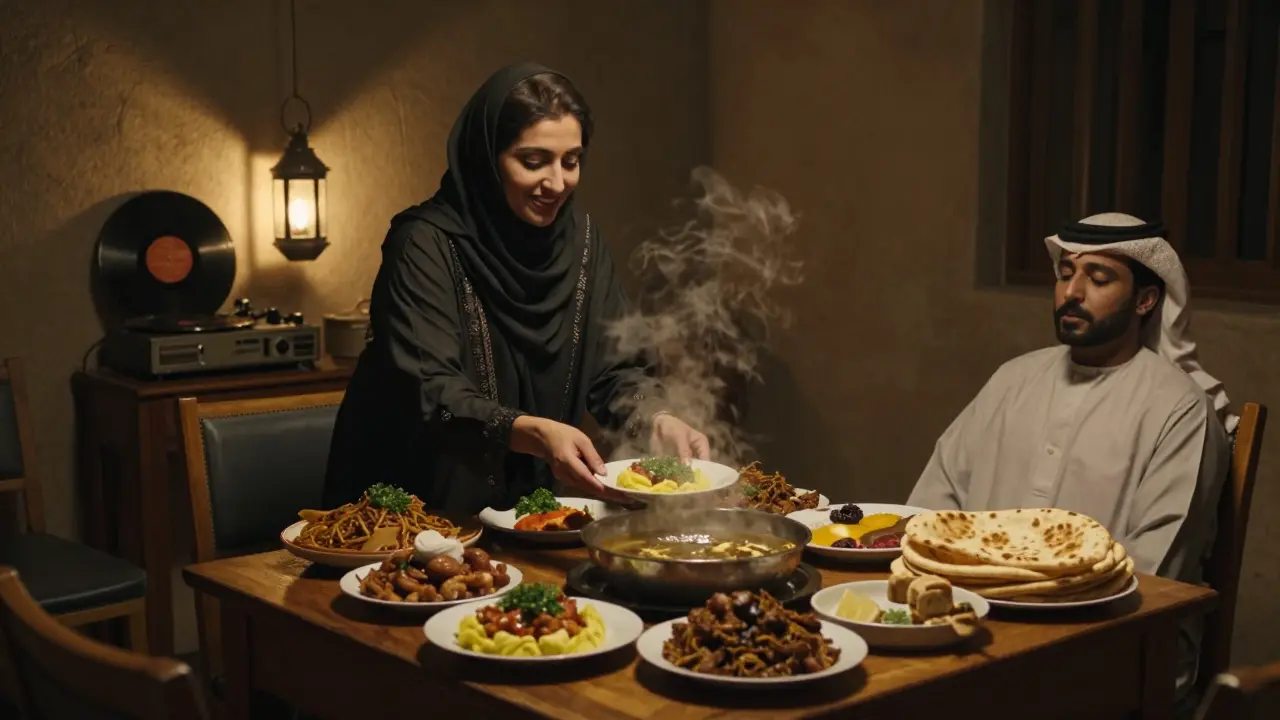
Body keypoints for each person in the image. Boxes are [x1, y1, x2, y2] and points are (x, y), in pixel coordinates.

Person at [323, 63, 709, 514]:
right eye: (533, 161)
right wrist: (530, 431)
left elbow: (615, 371)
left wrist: (656, 418)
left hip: (527, 512)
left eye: (572, 160)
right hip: (412, 511)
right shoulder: (423, 243)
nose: (557, 182)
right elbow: (430, 389)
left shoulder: (581, 240)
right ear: (487, 158)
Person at [907, 213, 1232, 698]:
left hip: (1114, 649)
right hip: (974, 627)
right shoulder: (1012, 379)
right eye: (1065, 275)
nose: (1072, 293)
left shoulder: (1180, 409)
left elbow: (1154, 576)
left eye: (1098, 278)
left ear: (1146, 300)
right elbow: (930, 511)